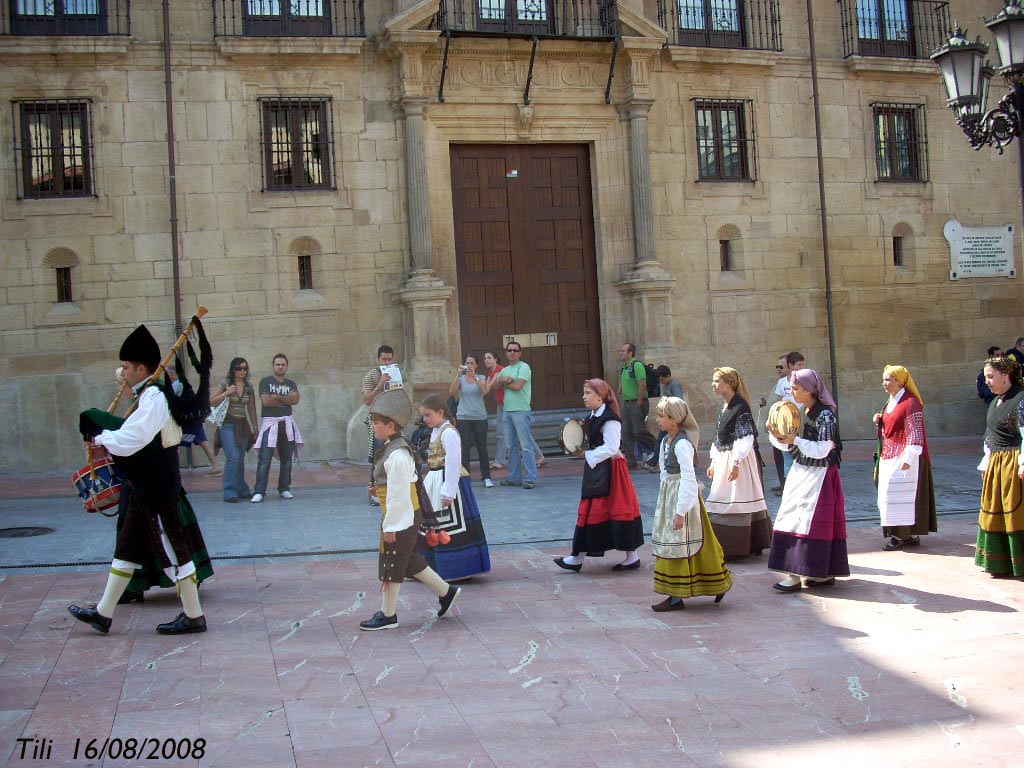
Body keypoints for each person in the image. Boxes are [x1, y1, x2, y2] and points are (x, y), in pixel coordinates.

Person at [68, 325, 208, 635]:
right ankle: (103, 613)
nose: (123, 372)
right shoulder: (149, 393)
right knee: (128, 547)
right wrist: (104, 437)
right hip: (147, 485)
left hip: (158, 485)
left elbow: (136, 437)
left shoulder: (155, 395)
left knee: (176, 549)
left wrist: (100, 436)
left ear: (141, 368)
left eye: (128, 367)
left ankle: (194, 615)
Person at [360, 389, 461, 631]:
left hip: (402, 515)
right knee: (409, 561)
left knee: (393, 560)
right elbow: (396, 486)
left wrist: (392, 526)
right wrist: (379, 491)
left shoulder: (397, 455)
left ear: (390, 424)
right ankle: (447, 591)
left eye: (376, 422)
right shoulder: (394, 447)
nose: (372, 426)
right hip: (402, 513)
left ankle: (388, 615)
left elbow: (399, 495)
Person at [767, 369, 849, 592]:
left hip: (820, 477)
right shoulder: (800, 411)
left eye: (796, 389)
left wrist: (795, 440)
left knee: (810, 523)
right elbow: (791, 445)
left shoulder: (825, 415)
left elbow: (823, 449)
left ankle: (816, 573)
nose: (792, 392)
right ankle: (798, 573)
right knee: (791, 518)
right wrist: (779, 437)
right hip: (802, 471)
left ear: (810, 391)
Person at [650, 397, 732, 611]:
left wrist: (680, 511)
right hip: (671, 496)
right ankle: (711, 585)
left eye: (661, 416)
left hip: (684, 500)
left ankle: (678, 596)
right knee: (688, 544)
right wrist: (665, 502)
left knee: (685, 544)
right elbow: (664, 472)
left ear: (674, 419)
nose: (657, 420)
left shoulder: (682, 444)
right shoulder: (665, 442)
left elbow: (687, 477)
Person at [553, 379, 644, 572]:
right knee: (593, 509)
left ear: (600, 397)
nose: (584, 397)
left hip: (611, 471)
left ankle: (630, 556)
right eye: (584, 392)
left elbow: (612, 447)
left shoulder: (610, 419)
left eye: (588, 393)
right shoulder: (593, 416)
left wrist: (586, 454)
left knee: (612, 509)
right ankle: (578, 557)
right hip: (598, 468)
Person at [419, 393, 491, 580]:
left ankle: (457, 569)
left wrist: (448, 491)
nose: (424, 419)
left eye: (428, 415)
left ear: (440, 412)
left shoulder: (449, 432)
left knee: (451, 526)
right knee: (432, 524)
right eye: (423, 415)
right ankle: (432, 567)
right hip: (435, 480)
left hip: (449, 483)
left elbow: (453, 463)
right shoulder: (436, 431)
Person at [705, 367, 772, 558]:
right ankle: (726, 545)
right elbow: (719, 436)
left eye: (717, 381)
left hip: (740, 460)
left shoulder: (740, 406)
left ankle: (740, 546)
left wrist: (736, 463)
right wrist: (713, 461)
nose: (713, 384)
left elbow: (746, 438)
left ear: (729, 384)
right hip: (725, 457)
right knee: (723, 498)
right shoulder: (724, 407)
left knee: (737, 500)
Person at [873, 365, 938, 551]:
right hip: (890, 454)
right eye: (884, 380)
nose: (885, 384)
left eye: (888, 380)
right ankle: (906, 533)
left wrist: (908, 460)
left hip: (906, 457)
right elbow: (893, 425)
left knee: (902, 495)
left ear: (900, 381)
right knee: (890, 495)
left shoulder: (910, 402)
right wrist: (880, 420)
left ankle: (902, 535)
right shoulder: (891, 401)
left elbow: (915, 432)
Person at [975, 356, 1024, 578]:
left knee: (1014, 512)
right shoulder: (995, 402)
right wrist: (986, 463)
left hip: (1014, 462)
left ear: (1006, 375)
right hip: (996, 463)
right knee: (994, 511)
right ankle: (998, 562)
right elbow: (989, 436)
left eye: (991, 377)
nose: (988, 382)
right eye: (986, 377)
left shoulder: (1021, 400)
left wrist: (1022, 464)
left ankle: (1017, 563)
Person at [251, 353, 302, 503]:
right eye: (277, 364)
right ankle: (259, 491)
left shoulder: (291, 383)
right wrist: (286, 401)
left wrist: (277, 397)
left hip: (287, 422)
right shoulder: (265, 382)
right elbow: (266, 402)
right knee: (265, 458)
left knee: (286, 458)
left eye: (283, 364)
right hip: (270, 423)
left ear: (287, 366)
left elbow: (295, 399)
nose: (280, 367)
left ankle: (284, 488)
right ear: (273, 365)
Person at [483, 350, 544, 471]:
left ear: (496, 359)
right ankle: (537, 456)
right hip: (502, 404)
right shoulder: (492, 372)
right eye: (485, 358)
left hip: (513, 405)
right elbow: (491, 387)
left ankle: (501, 461)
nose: (486, 360)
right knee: (508, 435)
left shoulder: (501, 370)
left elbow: (489, 388)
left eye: (489, 358)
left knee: (518, 436)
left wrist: (498, 381)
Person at [211, 357, 258, 503]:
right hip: (227, 424)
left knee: (240, 458)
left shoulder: (249, 386)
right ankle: (230, 492)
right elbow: (211, 401)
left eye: (245, 368)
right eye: (239, 368)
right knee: (233, 457)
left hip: (242, 426)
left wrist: (255, 427)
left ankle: (242, 489)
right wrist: (226, 393)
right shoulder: (226, 383)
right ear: (233, 370)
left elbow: (251, 408)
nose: (242, 371)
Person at [494, 341, 538, 489]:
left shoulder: (524, 367)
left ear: (520, 353)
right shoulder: (505, 370)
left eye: (515, 350)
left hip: (521, 410)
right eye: (509, 350)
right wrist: (500, 380)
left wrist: (505, 382)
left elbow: (519, 386)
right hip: (507, 410)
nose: (512, 352)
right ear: (506, 353)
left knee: (525, 446)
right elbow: (494, 386)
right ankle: (514, 477)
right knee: (510, 446)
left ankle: (531, 478)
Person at [450, 355, 493, 487]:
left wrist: (474, 376)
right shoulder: (461, 379)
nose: (469, 365)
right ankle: (465, 477)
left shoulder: (481, 378)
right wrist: (458, 375)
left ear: (476, 365)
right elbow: (452, 391)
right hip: (463, 417)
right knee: (465, 448)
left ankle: (486, 477)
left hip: (479, 417)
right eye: (467, 363)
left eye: (472, 363)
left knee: (482, 447)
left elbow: (484, 390)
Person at [167, 367, 220, 475]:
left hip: (189, 420)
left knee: (176, 443)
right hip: (192, 419)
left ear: (173, 374)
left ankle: (174, 470)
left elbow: (169, 400)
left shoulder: (177, 384)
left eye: (168, 374)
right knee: (199, 442)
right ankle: (215, 465)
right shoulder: (181, 384)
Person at [362, 345, 396, 506]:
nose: (387, 362)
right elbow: (367, 400)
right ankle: (374, 490)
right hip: (377, 419)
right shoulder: (371, 376)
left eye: (389, 359)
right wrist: (380, 385)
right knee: (378, 455)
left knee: (392, 455)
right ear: (378, 359)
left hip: (392, 418)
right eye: (384, 359)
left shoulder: (395, 373)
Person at [618, 343, 655, 469]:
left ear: (630, 353)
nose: (620, 353)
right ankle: (630, 462)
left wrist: (639, 402)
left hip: (636, 402)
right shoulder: (624, 367)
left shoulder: (637, 365)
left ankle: (658, 449)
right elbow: (622, 385)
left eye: (623, 351)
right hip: (627, 403)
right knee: (625, 433)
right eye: (620, 351)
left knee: (638, 431)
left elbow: (642, 384)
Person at [770, 354, 797, 494]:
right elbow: (778, 401)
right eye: (777, 367)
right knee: (782, 454)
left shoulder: (798, 381)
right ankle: (784, 483)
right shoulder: (781, 383)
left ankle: (791, 486)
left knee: (792, 455)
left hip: (797, 423)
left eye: (781, 367)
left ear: (789, 366)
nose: (778, 369)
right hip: (784, 423)